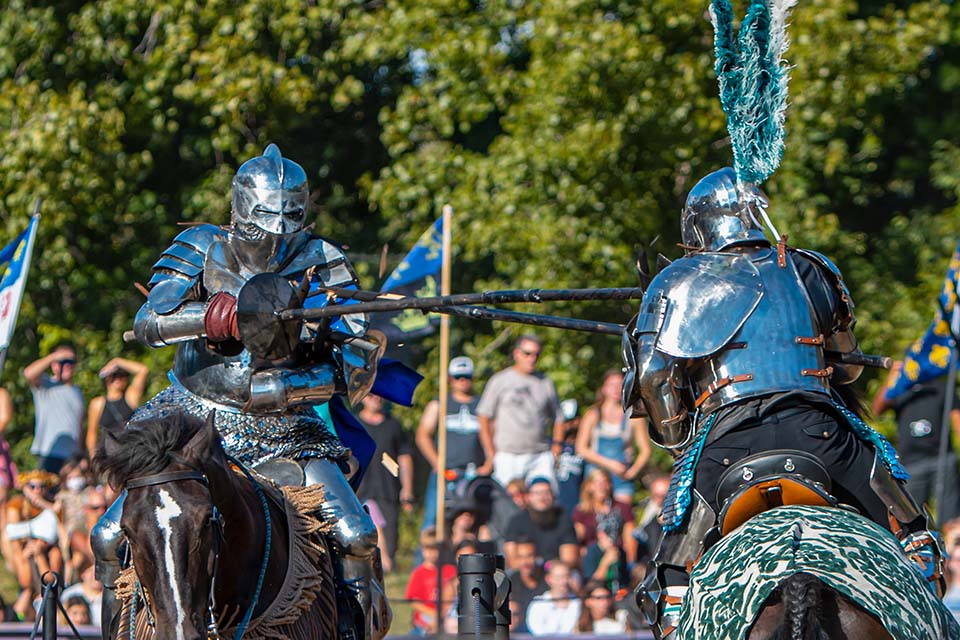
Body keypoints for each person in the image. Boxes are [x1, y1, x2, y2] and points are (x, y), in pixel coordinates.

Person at [91, 144, 417, 640]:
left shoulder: (322, 259)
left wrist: (288, 376)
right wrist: (209, 317)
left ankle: (354, 629)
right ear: (242, 209)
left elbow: (355, 366)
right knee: (109, 536)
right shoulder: (203, 247)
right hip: (194, 419)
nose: (278, 230)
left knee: (356, 535)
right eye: (267, 215)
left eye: (290, 215)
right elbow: (148, 322)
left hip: (288, 427)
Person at [622, 167, 943, 638]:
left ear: (699, 226)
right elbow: (848, 367)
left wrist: (677, 437)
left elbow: (653, 377)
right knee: (914, 535)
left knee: (670, 582)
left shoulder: (676, 281)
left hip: (728, 447)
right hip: (824, 438)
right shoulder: (811, 268)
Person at [873, 364, 960, 522]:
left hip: (942, 458)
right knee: (911, 517)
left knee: (951, 518)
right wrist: (893, 376)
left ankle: (951, 546)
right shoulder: (900, 389)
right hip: (911, 463)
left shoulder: (940, 386)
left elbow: (956, 419)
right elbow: (877, 409)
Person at [477, 335, 563, 488]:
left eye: (536, 354)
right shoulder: (500, 380)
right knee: (507, 505)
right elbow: (484, 418)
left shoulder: (545, 383)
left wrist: (556, 448)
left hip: (540, 455)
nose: (532, 358)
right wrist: (491, 454)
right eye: (527, 353)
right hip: (507, 455)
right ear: (516, 353)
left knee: (544, 501)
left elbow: (558, 417)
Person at [416, 355, 484, 533]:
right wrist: (437, 462)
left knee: (476, 522)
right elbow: (423, 434)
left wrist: (488, 464)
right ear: (450, 379)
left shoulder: (482, 406)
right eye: (458, 377)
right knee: (433, 520)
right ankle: (425, 559)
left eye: (467, 376)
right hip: (446, 473)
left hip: (473, 473)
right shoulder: (440, 404)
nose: (462, 381)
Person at [356, 393, 414, 574]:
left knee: (390, 538)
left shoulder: (393, 426)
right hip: (360, 490)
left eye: (380, 394)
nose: (376, 398)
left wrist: (407, 489)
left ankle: (385, 571)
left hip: (387, 491)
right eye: (371, 394)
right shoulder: (354, 425)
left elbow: (404, 458)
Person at [576, 369, 651, 503]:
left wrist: (632, 472)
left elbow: (645, 450)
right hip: (596, 474)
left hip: (622, 475)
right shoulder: (593, 414)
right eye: (612, 385)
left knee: (623, 514)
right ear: (604, 388)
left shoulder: (634, 416)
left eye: (620, 385)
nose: (616, 389)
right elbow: (581, 448)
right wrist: (610, 464)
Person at [23, 343, 84, 473]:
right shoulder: (46, 384)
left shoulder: (77, 391)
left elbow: (79, 425)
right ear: (54, 365)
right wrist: (55, 356)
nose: (68, 365)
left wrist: (82, 452)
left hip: (73, 456)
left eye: (71, 362)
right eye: (63, 362)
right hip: (50, 453)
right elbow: (28, 373)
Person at [503, 476, 579, 569]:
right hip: (526, 573)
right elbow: (512, 562)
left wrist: (545, 566)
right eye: (537, 493)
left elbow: (570, 560)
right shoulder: (516, 521)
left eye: (546, 493)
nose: (542, 498)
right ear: (528, 497)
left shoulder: (563, 519)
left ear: (553, 496)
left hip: (556, 575)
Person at [85, 358, 150, 453]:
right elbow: (92, 434)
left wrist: (117, 361)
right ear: (107, 378)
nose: (119, 379)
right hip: (110, 453)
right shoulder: (98, 403)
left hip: (131, 450)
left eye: (123, 375)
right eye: (115, 376)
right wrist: (93, 458)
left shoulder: (130, 397)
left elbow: (143, 370)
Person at [404, 527, 456, 635]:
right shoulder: (419, 573)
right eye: (428, 549)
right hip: (426, 616)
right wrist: (433, 613)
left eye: (435, 549)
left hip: (448, 615)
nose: (432, 553)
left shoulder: (450, 570)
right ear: (422, 549)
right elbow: (414, 600)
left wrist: (443, 614)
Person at [572, 469, 636, 555]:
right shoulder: (582, 511)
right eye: (597, 482)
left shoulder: (622, 507)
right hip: (593, 556)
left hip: (618, 555)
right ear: (589, 486)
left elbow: (630, 536)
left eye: (605, 482)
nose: (601, 486)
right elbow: (577, 539)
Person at [525, 560, 581, 636]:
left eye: (567, 576)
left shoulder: (577, 603)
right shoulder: (538, 604)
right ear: (549, 579)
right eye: (559, 577)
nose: (564, 581)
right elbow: (537, 632)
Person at [504, 536, 547, 633]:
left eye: (529, 556)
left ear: (537, 557)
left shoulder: (548, 580)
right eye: (520, 557)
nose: (525, 562)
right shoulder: (508, 584)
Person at [582, 510, 631, 594]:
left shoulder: (620, 552)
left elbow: (624, 581)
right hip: (600, 595)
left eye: (617, 534)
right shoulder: (592, 552)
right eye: (608, 535)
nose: (612, 540)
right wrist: (605, 563)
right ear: (600, 534)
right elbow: (590, 586)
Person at [554, 399, 585, 514]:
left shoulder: (584, 448)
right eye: (566, 421)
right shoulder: (550, 447)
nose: (569, 426)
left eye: (572, 421)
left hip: (577, 508)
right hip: (555, 508)